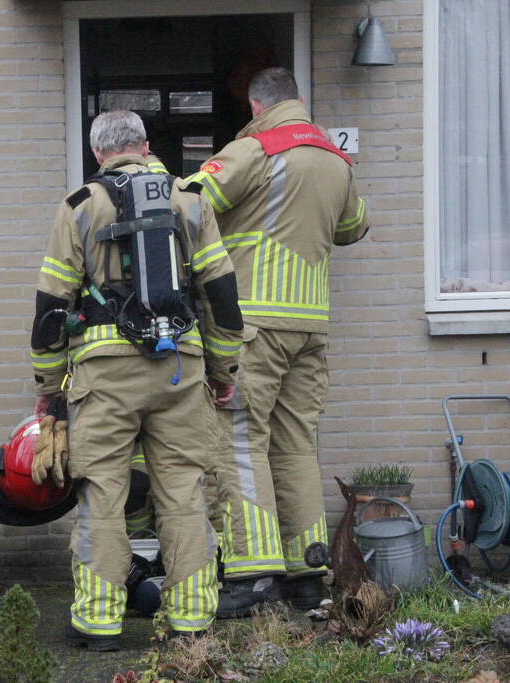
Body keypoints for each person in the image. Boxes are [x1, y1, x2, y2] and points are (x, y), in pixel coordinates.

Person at [29, 110, 244, 650]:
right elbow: (221, 294)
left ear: (97, 153)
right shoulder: (190, 199)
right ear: (146, 147)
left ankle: (101, 624)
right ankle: (193, 619)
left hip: (105, 376)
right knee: (183, 492)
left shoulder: (80, 205)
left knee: (102, 493)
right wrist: (223, 372)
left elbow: (52, 302)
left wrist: (49, 386)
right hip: (179, 369)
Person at [185, 68, 371, 617]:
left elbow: (190, 204)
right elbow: (355, 226)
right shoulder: (337, 162)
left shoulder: (254, 149)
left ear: (256, 105)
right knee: (294, 444)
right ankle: (307, 572)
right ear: (300, 100)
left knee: (239, 438)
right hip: (310, 324)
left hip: (252, 323)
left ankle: (250, 573)